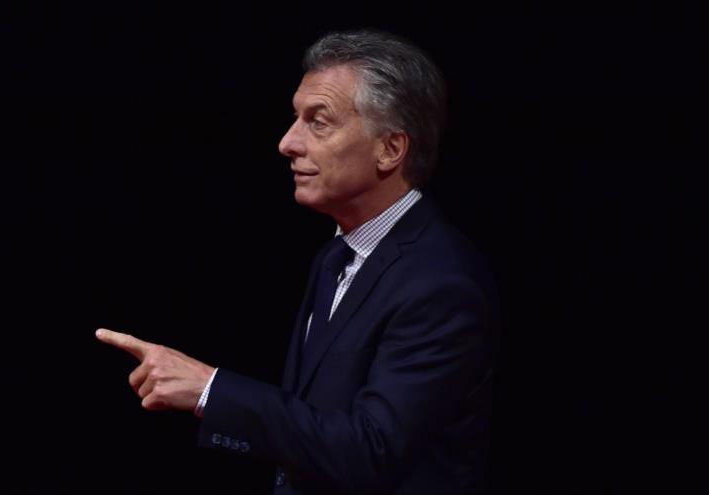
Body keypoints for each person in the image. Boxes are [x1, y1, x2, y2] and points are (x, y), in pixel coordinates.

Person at [97, 29, 498, 494]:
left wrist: (211, 388)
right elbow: (311, 424)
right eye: (295, 118)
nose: (287, 143)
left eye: (318, 122)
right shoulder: (337, 253)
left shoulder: (441, 282)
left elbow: (370, 451)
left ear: (390, 149)